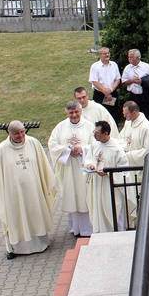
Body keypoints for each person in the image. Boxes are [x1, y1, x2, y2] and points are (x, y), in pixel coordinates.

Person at [0, 121, 56, 259]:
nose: (20, 136)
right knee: (16, 217)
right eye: (16, 134)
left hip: (34, 190)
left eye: (22, 132)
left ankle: (40, 244)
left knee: (35, 213)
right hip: (13, 194)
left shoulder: (33, 143)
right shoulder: (1, 150)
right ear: (10, 134)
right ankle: (16, 248)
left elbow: (43, 165)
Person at [48, 101, 94, 237]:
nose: (74, 115)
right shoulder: (60, 127)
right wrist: (67, 151)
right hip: (69, 169)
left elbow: (96, 144)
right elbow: (52, 144)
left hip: (84, 168)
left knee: (85, 195)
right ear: (67, 113)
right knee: (72, 195)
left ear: (81, 111)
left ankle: (89, 228)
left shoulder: (89, 126)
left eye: (76, 112)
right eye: (71, 113)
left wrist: (83, 149)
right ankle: (76, 228)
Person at [84, 121, 131, 233]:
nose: (94, 135)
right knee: (98, 209)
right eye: (94, 132)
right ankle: (100, 232)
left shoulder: (116, 149)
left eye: (97, 133)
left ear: (106, 133)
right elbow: (89, 159)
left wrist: (108, 173)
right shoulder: (94, 144)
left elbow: (124, 171)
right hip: (97, 184)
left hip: (110, 187)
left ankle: (117, 234)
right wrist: (89, 165)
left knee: (113, 209)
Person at [121, 49, 149, 125]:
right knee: (133, 115)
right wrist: (132, 81)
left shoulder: (146, 66)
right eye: (128, 57)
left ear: (137, 57)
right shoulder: (127, 68)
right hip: (133, 95)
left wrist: (142, 81)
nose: (129, 59)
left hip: (144, 95)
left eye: (131, 57)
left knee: (147, 115)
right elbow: (123, 81)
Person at [120, 101, 149, 170]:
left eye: (126, 114)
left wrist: (129, 155)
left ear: (134, 112)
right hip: (129, 164)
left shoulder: (146, 127)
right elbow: (122, 138)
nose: (124, 116)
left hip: (141, 167)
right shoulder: (128, 123)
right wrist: (123, 149)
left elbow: (148, 150)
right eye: (124, 113)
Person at [88, 47, 122, 123]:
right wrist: (105, 92)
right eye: (104, 53)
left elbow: (117, 79)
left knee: (113, 115)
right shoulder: (95, 66)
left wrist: (110, 90)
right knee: (100, 115)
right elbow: (94, 81)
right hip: (100, 94)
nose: (107, 55)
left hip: (112, 93)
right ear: (100, 55)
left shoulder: (114, 65)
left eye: (108, 53)